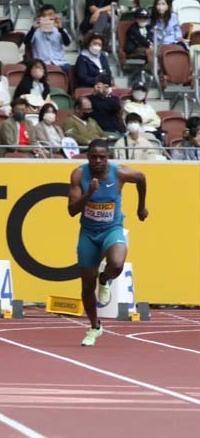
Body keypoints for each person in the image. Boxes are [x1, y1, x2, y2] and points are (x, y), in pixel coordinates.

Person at [67, 139, 148, 346]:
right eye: (94, 157)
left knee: (117, 264)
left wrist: (141, 208)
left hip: (112, 228)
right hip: (88, 233)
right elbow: (72, 210)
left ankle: (104, 280)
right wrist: (89, 194)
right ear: (88, 157)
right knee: (86, 284)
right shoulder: (79, 175)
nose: (98, 161)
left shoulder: (119, 173)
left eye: (102, 157)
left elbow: (141, 178)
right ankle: (95, 327)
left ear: (108, 157)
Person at [25, 4, 72, 73]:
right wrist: (33, 29)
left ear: (55, 16)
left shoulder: (59, 30)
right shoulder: (35, 31)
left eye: (50, 15)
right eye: (44, 16)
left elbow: (67, 43)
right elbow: (26, 42)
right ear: (40, 17)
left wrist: (61, 29)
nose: (47, 17)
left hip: (60, 63)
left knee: (72, 71)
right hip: (42, 64)